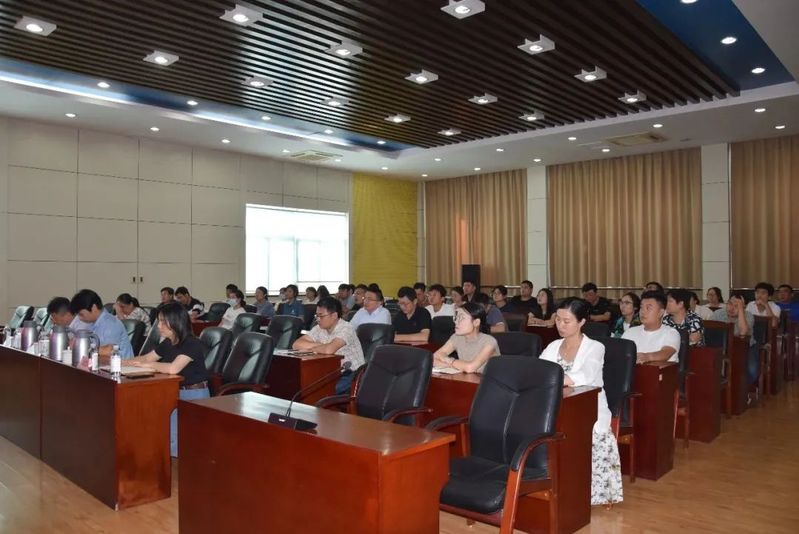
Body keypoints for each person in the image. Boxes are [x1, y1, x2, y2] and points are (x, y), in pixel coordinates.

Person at [539, 297, 623, 506]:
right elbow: (539, 371)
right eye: (558, 319)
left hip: (588, 408)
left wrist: (552, 380)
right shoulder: (553, 346)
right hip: (556, 405)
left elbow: (585, 375)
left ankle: (592, 492)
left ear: (582, 322)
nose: (560, 325)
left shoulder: (595, 347)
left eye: (566, 321)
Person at [128, 302, 209, 457]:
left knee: (181, 442)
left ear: (176, 322)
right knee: (168, 436)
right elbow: (147, 358)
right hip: (174, 392)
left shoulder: (192, 343)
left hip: (194, 395)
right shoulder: (169, 342)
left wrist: (149, 366)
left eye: (163, 322)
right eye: (159, 321)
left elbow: (173, 368)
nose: (159, 326)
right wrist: (122, 363)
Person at [293, 297, 365, 394]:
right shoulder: (319, 328)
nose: (317, 319)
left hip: (351, 374)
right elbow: (296, 344)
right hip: (330, 371)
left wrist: (312, 348)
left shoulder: (346, 328)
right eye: (316, 315)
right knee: (302, 385)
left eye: (321, 316)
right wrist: (321, 346)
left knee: (321, 391)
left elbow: (329, 350)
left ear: (334, 315)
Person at [432, 302, 500, 373]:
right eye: (456, 317)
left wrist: (449, 360)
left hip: (489, 379)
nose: (456, 322)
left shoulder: (489, 341)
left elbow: (470, 368)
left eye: (462, 318)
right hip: (467, 378)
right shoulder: (457, 337)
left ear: (476, 322)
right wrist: (452, 365)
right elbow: (434, 358)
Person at [69, 289, 133, 361]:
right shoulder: (89, 322)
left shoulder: (111, 324)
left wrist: (81, 347)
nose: (80, 318)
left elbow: (107, 352)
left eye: (81, 314)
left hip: (121, 366)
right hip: (100, 364)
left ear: (93, 307)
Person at [711, 293, 758, 385]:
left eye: (737, 306)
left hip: (745, 348)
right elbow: (709, 331)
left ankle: (743, 390)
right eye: (730, 304)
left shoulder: (749, 316)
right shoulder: (718, 314)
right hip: (721, 347)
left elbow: (743, 332)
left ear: (744, 307)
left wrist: (740, 311)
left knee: (752, 371)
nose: (731, 308)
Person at [622, 290, 681, 363]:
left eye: (648, 308)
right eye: (641, 307)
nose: (643, 311)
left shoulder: (671, 333)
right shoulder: (630, 332)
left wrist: (646, 357)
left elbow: (666, 353)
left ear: (661, 312)